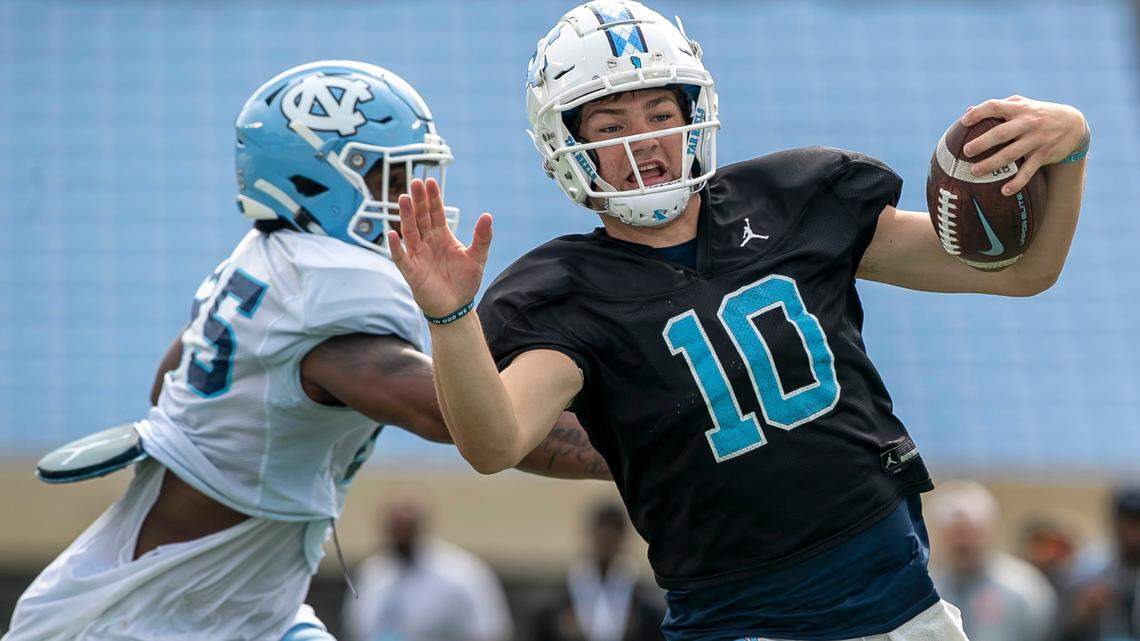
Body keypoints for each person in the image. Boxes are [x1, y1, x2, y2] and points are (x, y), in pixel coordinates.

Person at [384, 1, 1089, 638]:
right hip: (737, 623)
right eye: (610, 125)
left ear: (694, 111)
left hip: (899, 604)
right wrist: (452, 317)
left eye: (660, 114)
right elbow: (494, 441)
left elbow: (1024, 272)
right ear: (565, 146)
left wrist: (1073, 149)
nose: (643, 142)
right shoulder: (567, 290)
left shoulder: (795, 197)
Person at [2, 60, 607, 641]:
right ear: (312, 181)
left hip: (241, 605)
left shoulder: (270, 263)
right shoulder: (325, 293)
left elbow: (166, 381)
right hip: (150, 617)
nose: (410, 196)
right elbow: (467, 420)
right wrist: (647, 445)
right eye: (388, 177)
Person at [342, 496, 512, 641]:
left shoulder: (462, 574)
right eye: (395, 527)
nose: (400, 535)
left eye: (407, 526)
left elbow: (489, 631)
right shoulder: (372, 572)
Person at [930, 480, 1058, 641]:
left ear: (989, 530)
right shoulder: (925, 590)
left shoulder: (1024, 589)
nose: (961, 541)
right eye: (954, 531)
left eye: (969, 531)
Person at [533, 501, 664, 641]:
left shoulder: (641, 602)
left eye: (612, 537)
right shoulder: (565, 594)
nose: (605, 543)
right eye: (601, 536)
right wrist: (560, 629)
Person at [1062, 485, 1140, 641]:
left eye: (1138, 524)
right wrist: (1083, 610)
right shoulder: (1090, 565)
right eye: (1126, 524)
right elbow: (1062, 627)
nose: (1133, 535)